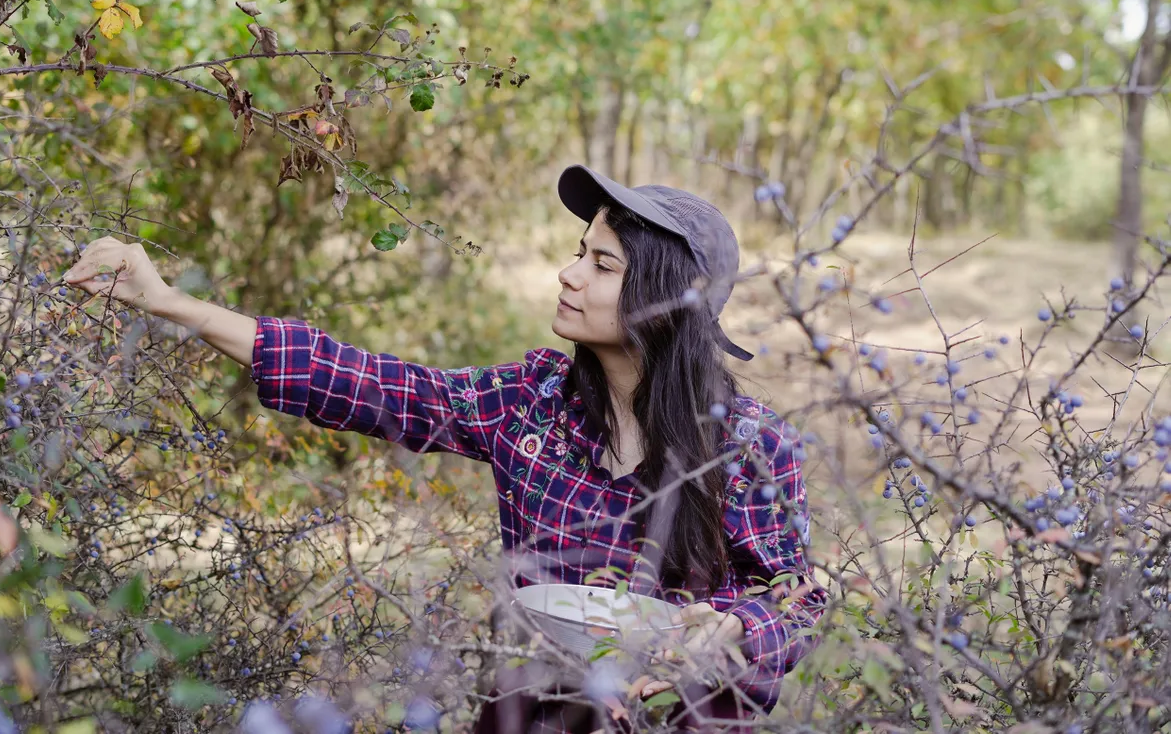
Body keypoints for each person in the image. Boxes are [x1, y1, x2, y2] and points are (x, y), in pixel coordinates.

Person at [63, 164, 828, 733]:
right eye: (577, 252)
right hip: (534, 713)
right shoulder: (532, 405)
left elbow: (794, 597)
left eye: (600, 265)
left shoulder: (747, 444)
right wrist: (166, 302)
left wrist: (725, 627)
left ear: (665, 301)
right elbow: (369, 385)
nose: (566, 275)